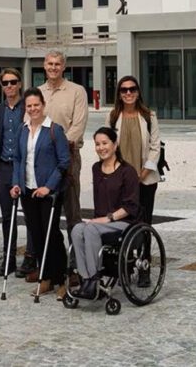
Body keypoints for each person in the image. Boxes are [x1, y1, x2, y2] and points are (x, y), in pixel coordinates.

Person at [38, 49, 89, 297]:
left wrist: (59, 148)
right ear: (44, 65)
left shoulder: (77, 91)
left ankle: (75, 269)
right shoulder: (39, 92)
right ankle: (51, 271)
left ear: (64, 66)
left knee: (72, 216)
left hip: (68, 157)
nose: (53, 67)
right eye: (50, 63)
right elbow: (32, 121)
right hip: (43, 160)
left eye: (57, 64)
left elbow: (78, 125)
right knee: (46, 218)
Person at [10, 88, 70, 298]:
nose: (33, 109)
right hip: (28, 190)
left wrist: (49, 186)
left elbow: (64, 162)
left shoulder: (54, 129)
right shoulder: (22, 129)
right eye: (29, 106)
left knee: (51, 235)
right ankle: (45, 278)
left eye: (36, 105)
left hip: (48, 193)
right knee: (36, 235)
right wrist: (16, 182)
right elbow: (17, 158)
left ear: (43, 105)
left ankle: (61, 279)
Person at [71, 127, 140, 300]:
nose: (101, 148)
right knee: (77, 229)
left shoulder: (128, 171)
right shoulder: (96, 168)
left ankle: (94, 279)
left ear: (115, 145)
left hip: (124, 222)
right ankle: (86, 278)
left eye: (105, 143)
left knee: (90, 229)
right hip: (101, 222)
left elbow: (131, 206)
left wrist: (108, 218)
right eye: (97, 144)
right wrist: (99, 220)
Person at [106, 75, 160, 287]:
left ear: (138, 92)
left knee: (144, 224)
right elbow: (107, 146)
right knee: (123, 223)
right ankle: (126, 266)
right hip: (120, 181)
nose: (128, 93)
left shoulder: (149, 116)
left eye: (132, 89)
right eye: (124, 90)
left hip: (145, 180)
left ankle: (144, 267)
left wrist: (144, 172)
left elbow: (155, 146)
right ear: (119, 94)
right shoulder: (113, 117)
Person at [0, 68, 28, 277]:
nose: (9, 86)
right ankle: (9, 257)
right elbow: (0, 135)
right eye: (5, 83)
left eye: (13, 82)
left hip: (25, 167)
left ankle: (31, 258)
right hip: (5, 166)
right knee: (8, 216)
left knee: (30, 215)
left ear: (20, 84)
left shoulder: (28, 107)